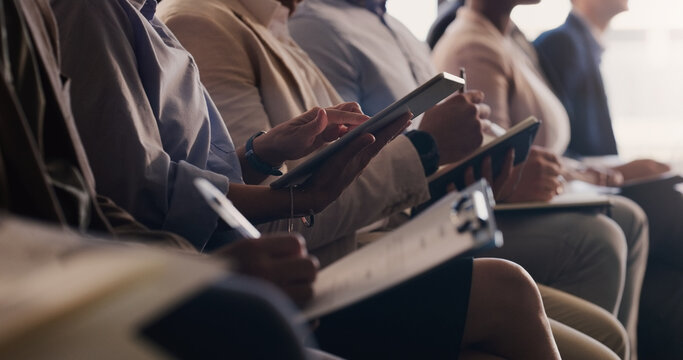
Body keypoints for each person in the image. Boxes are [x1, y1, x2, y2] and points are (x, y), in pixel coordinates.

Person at [6, 1, 564, 358]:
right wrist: (419, 150)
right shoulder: (146, 17)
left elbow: (180, 176)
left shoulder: (157, 24)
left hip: (257, 250)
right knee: (518, 285)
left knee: (536, 293)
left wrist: (261, 155)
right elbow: (138, 193)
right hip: (245, 261)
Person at [289, 0, 646, 356]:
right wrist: (435, 152)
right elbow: (343, 171)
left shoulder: (397, 28)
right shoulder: (317, 26)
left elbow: (474, 138)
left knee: (612, 328)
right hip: (399, 222)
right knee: (598, 241)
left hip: (437, 203)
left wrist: (486, 165)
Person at [429, 0, 651, 354]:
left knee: (630, 216)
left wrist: (593, 172)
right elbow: (501, 163)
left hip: (542, 189)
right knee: (604, 236)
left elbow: (535, 156)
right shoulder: (472, 46)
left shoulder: (512, 39)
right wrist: (598, 174)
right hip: (493, 207)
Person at [533, 1, 683, 357]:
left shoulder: (584, 45)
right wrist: (618, 172)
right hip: (580, 189)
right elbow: (567, 151)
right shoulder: (562, 44)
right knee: (671, 208)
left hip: (591, 181)